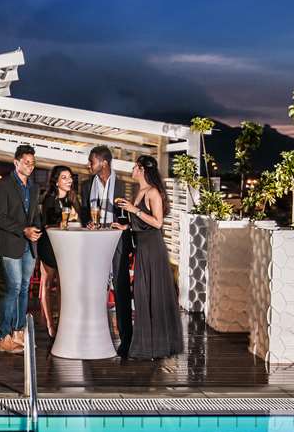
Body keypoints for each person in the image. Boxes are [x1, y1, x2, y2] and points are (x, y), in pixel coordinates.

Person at [114, 155, 184, 360]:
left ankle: (156, 345)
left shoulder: (153, 192)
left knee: (152, 294)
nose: (132, 170)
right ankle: (148, 342)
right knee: (142, 295)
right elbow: (141, 223)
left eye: (134, 167)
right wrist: (126, 226)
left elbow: (158, 223)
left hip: (153, 249)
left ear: (142, 169)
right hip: (142, 248)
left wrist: (134, 209)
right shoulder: (140, 191)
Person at [80, 145, 134, 351]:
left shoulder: (124, 184)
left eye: (91, 161)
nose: (88, 165)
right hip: (95, 242)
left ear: (104, 163)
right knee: (94, 288)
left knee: (121, 289)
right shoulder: (86, 185)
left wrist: (125, 226)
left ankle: (126, 340)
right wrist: (87, 222)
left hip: (118, 241)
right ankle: (93, 335)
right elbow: (85, 211)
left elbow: (132, 213)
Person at [0, 145, 41, 354]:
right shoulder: (3, 186)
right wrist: (24, 230)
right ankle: (3, 337)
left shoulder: (34, 188)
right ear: (16, 162)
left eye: (33, 163)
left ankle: (19, 332)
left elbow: (34, 215)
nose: (30, 166)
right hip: (10, 244)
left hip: (29, 245)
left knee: (24, 288)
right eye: (26, 162)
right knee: (14, 288)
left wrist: (36, 230)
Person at [36, 165, 82, 337]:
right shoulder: (49, 199)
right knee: (47, 284)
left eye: (70, 177)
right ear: (56, 181)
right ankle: (50, 324)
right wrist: (67, 220)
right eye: (64, 177)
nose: (69, 180)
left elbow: (81, 220)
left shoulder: (73, 198)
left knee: (64, 285)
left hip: (66, 247)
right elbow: (47, 224)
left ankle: (63, 322)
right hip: (49, 245)